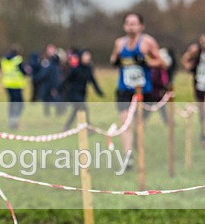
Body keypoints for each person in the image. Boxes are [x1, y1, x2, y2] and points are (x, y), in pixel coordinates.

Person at [109, 12, 164, 164]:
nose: (131, 27)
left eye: (134, 24)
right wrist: (117, 60)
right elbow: (113, 59)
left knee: (139, 124)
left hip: (143, 90)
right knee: (125, 121)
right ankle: (128, 157)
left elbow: (161, 62)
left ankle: (135, 145)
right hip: (124, 88)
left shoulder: (148, 42)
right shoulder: (119, 43)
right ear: (124, 26)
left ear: (141, 26)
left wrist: (146, 61)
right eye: (128, 23)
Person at [181, 31, 205, 148]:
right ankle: (203, 130)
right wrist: (188, 66)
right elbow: (184, 59)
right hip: (198, 85)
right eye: (204, 43)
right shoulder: (195, 51)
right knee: (202, 112)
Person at [59, 49, 104, 130]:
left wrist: (99, 91)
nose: (88, 58)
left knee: (76, 110)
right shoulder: (75, 68)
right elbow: (66, 80)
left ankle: (66, 126)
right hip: (73, 93)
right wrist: (59, 89)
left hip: (82, 93)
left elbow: (93, 81)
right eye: (86, 56)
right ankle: (88, 127)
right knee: (84, 108)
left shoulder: (88, 69)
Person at [0, 45, 28, 129]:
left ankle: (11, 120)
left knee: (11, 103)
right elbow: (24, 72)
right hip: (17, 85)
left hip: (7, 84)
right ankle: (15, 120)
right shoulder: (18, 60)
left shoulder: (4, 60)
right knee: (20, 104)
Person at [32, 44, 61, 116]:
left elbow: (45, 73)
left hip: (51, 83)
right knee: (47, 99)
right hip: (47, 83)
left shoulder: (54, 61)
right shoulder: (44, 59)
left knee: (53, 99)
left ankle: (56, 113)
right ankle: (49, 113)